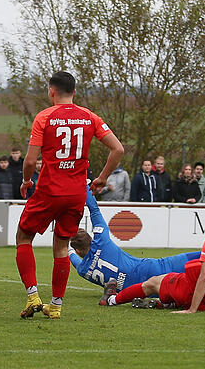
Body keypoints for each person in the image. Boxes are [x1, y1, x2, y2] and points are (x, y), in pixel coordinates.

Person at [15, 71, 124, 320]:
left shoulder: (44, 117)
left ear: (51, 91)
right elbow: (118, 149)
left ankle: (33, 296)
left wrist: (26, 180)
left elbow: (31, 159)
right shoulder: (90, 117)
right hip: (76, 193)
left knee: (23, 236)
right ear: (74, 92)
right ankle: (55, 305)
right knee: (62, 246)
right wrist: (103, 177)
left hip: (49, 190)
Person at [69, 189, 200, 298]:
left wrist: (62, 243)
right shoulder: (101, 242)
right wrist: (85, 187)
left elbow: (73, 257)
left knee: (186, 286)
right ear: (91, 239)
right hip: (149, 268)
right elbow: (94, 210)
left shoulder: (83, 270)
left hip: (139, 291)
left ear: (79, 250)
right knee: (200, 258)